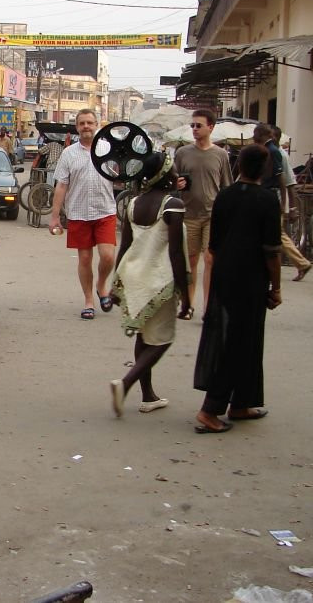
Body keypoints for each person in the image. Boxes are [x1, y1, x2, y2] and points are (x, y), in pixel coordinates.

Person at [193, 143, 282, 433]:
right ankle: (210, 409)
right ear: (265, 169)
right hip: (251, 279)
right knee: (240, 342)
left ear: (238, 166)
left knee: (241, 338)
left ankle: (242, 403)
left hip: (224, 275)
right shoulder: (268, 201)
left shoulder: (224, 197)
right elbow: (272, 251)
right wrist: (276, 288)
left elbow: (214, 246)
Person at [110, 153, 190, 417]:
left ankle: (148, 396)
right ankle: (126, 383)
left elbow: (125, 247)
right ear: (166, 174)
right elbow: (176, 254)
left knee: (145, 337)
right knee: (162, 340)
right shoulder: (173, 205)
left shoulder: (133, 204)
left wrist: (116, 284)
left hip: (133, 277)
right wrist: (187, 296)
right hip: (159, 281)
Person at [48, 109, 117, 321]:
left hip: (105, 210)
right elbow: (61, 185)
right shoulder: (69, 153)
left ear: (97, 125)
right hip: (78, 213)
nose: (86, 126)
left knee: (107, 256)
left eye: (90, 122)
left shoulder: (108, 149)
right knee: (85, 258)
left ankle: (101, 286)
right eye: (82, 123)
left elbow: (122, 174)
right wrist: (55, 216)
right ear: (77, 127)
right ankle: (89, 301)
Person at [173, 108, 232, 316]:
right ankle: (188, 305)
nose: (195, 129)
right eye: (192, 126)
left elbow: (226, 187)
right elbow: (172, 180)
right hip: (188, 214)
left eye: (199, 125)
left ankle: (209, 307)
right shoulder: (182, 153)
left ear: (211, 127)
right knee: (190, 261)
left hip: (212, 215)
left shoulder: (221, 155)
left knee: (210, 259)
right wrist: (177, 184)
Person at [272, 126, 312, 282]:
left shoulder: (280, 155)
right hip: (268, 201)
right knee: (276, 235)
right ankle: (301, 263)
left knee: (278, 235)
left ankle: (302, 263)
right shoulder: (269, 153)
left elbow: (289, 183)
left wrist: (292, 207)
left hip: (275, 202)